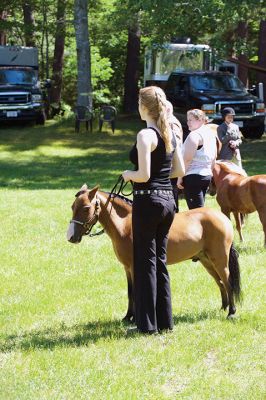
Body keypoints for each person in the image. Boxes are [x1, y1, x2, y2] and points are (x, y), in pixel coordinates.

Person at [122, 86, 185, 334]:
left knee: (145, 261)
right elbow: (179, 171)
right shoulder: (168, 132)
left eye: (138, 103)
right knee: (160, 260)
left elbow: (143, 174)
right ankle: (165, 322)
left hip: (148, 202)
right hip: (169, 201)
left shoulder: (145, 135)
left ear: (144, 106)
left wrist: (128, 174)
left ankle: (147, 326)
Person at [177, 109, 217, 209]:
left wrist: (180, 177)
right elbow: (214, 157)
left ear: (200, 120)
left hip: (193, 176)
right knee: (200, 209)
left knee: (196, 212)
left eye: (190, 120)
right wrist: (210, 173)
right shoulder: (210, 134)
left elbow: (187, 159)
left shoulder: (194, 135)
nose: (188, 123)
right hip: (206, 175)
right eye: (187, 120)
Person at [166, 100, 183, 212]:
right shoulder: (168, 122)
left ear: (167, 110)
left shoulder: (172, 123)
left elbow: (175, 143)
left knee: (172, 195)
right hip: (169, 163)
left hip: (172, 164)